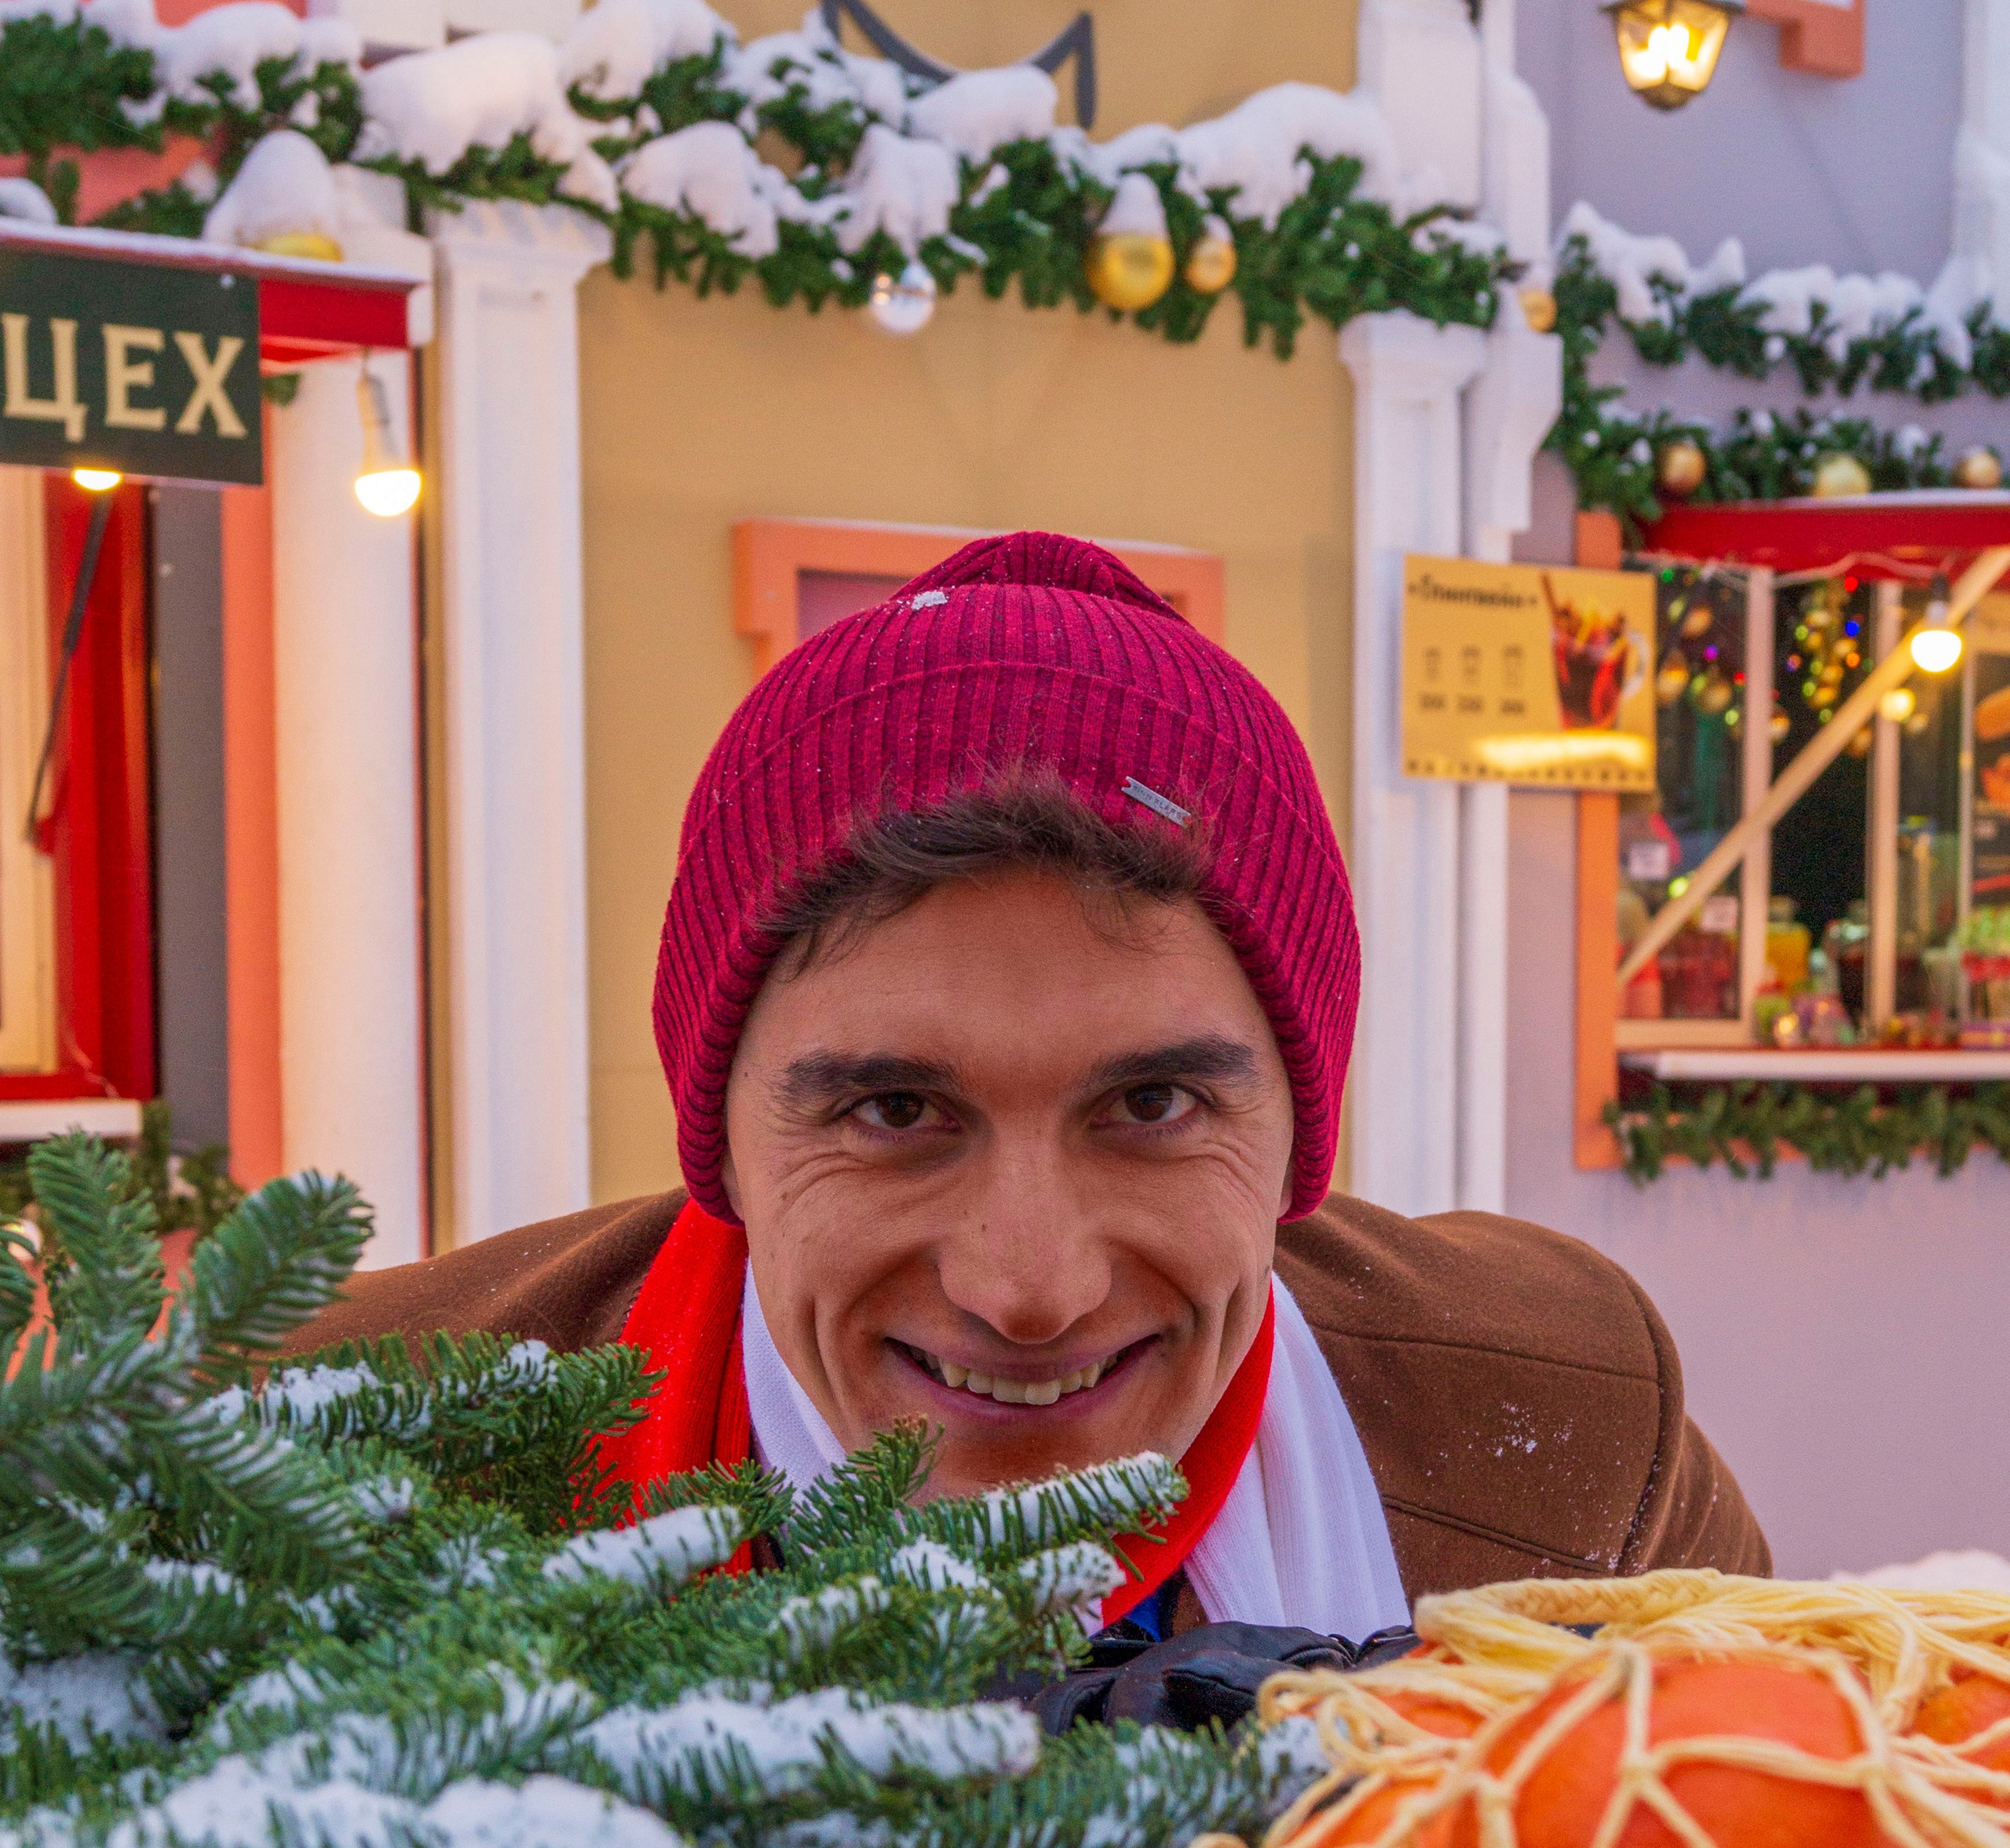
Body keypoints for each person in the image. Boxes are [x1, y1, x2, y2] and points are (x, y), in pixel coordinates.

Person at [298, 530, 1765, 1676]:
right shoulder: (332, 1462)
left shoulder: (1563, 1429)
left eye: (1153, 1102)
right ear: (723, 1138)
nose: (1027, 1290)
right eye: (889, 1112)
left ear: (1296, 1139)